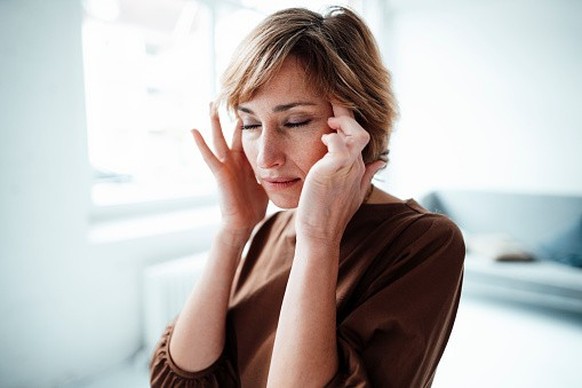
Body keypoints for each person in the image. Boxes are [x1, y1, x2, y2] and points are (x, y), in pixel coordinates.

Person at [150, 6, 464, 387]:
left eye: (295, 121)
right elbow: (181, 380)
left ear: (359, 122)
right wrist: (233, 232)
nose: (265, 157)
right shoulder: (270, 230)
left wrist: (319, 240)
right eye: (250, 123)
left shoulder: (424, 243)